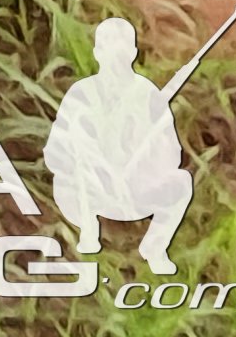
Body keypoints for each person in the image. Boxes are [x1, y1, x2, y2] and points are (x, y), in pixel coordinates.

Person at [44, 18, 193, 274]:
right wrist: (92, 163)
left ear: (133, 52)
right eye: (108, 46)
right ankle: (88, 233)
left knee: (181, 182)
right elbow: (55, 152)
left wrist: (147, 153)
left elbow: (172, 154)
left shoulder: (147, 95)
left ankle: (155, 248)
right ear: (97, 52)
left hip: (133, 191)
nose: (115, 55)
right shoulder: (82, 93)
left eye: (122, 47)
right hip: (87, 192)